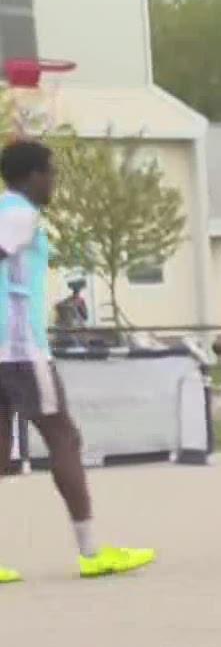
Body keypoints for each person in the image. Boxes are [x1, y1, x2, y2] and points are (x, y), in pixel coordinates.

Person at [0, 140, 154, 583]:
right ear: (31, 175)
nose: (54, 181)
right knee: (64, 437)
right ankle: (91, 552)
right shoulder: (19, 213)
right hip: (20, 350)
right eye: (50, 173)